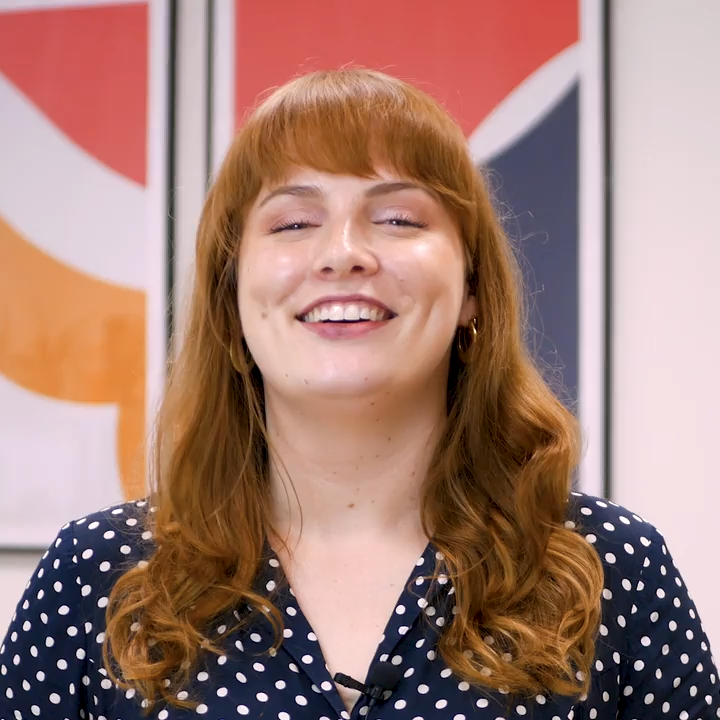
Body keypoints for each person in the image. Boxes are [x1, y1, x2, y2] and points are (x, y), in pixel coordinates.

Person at [0, 69, 717, 720]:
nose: (343, 253)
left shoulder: (610, 568)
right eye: (293, 223)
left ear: (471, 288)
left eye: (399, 218)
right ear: (231, 298)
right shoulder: (98, 578)